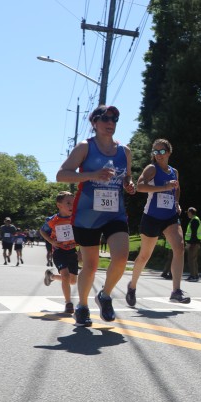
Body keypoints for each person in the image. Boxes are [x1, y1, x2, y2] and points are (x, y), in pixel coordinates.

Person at [56, 104, 137, 326]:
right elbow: (61, 175)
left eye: (114, 119)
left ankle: (105, 295)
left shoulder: (125, 151)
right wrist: (93, 175)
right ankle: (82, 306)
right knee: (90, 265)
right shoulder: (85, 147)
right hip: (87, 215)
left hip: (114, 214)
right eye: (105, 119)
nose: (110, 123)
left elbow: (127, 176)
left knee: (121, 257)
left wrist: (129, 184)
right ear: (94, 122)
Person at [124, 139, 190, 307]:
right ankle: (132, 286)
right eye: (155, 151)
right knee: (144, 255)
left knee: (179, 247)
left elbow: (177, 188)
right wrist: (164, 187)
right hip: (152, 217)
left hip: (170, 216)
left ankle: (176, 291)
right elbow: (140, 186)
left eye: (161, 151)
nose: (158, 155)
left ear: (168, 152)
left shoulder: (174, 172)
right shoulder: (151, 168)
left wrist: (176, 202)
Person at [40, 192, 80, 315]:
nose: (71, 205)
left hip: (72, 251)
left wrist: (80, 250)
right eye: (68, 203)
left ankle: (51, 276)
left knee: (72, 281)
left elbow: (83, 235)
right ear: (59, 205)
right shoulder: (53, 220)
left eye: (73, 203)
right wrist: (51, 241)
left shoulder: (76, 219)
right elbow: (42, 231)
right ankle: (68, 303)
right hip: (59, 251)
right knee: (66, 276)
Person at [185, 207, 201, 281]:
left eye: (188, 212)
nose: (187, 214)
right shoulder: (195, 219)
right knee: (193, 260)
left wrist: (189, 243)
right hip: (195, 243)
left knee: (191, 260)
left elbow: (193, 234)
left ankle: (193, 276)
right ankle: (195, 275)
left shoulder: (194, 220)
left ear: (191, 212)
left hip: (193, 243)